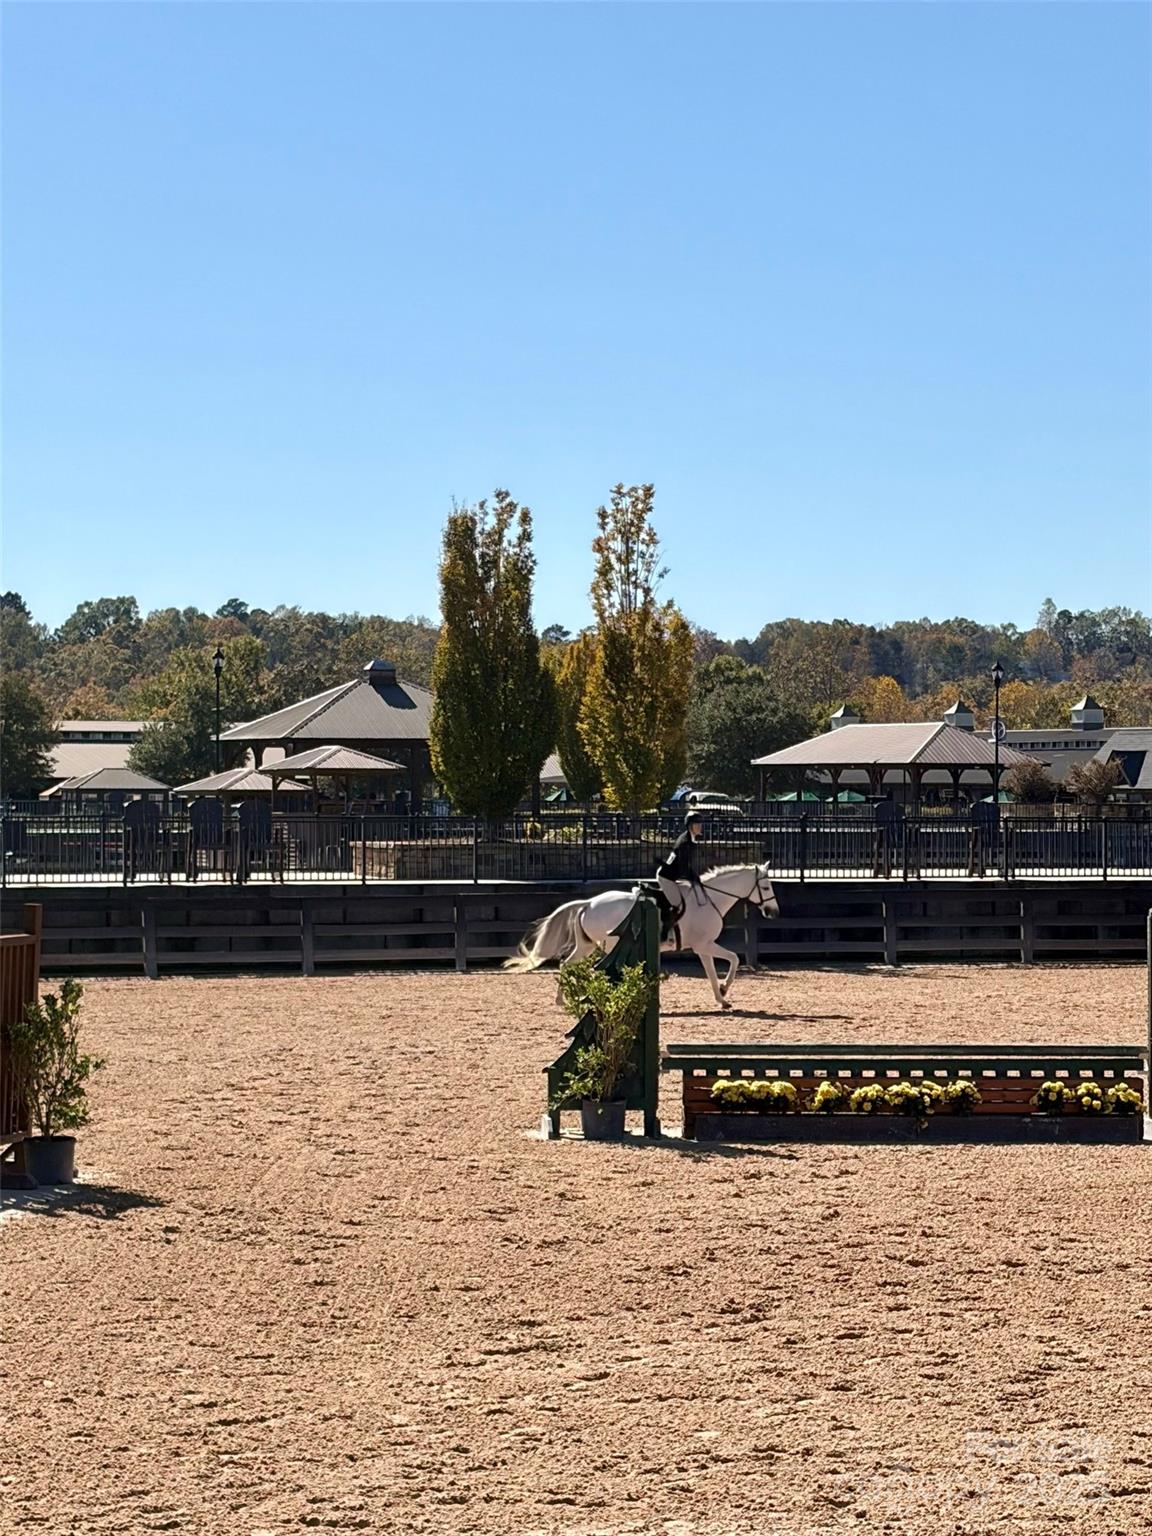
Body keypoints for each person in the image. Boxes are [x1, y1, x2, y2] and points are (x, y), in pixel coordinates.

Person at [656, 812, 708, 942]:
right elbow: (684, 867)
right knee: (678, 904)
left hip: (672, 876)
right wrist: (695, 878)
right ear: (690, 826)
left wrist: (695, 878)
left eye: (700, 824)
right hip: (666, 878)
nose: (700, 827)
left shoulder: (688, 839)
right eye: (697, 824)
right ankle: (665, 933)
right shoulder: (685, 843)